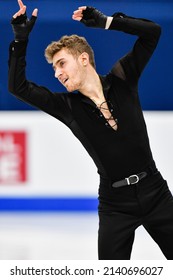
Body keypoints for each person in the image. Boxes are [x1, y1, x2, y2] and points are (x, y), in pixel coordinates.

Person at [9, 0, 173, 260]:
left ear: (83, 58)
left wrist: (108, 22)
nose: (57, 73)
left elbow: (152, 32)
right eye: (54, 68)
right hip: (115, 205)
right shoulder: (67, 106)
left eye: (61, 64)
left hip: (156, 193)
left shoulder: (122, 80)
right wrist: (20, 40)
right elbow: (18, 88)